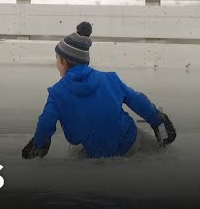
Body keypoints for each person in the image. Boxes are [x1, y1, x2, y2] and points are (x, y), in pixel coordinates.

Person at [22, 21, 176, 160]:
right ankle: (163, 141)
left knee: (76, 151)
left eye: (57, 59)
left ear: (63, 61)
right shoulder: (109, 79)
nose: (56, 64)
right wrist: (158, 121)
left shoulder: (57, 93)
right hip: (129, 143)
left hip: (94, 154)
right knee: (159, 150)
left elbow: (46, 124)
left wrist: (38, 145)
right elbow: (137, 100)